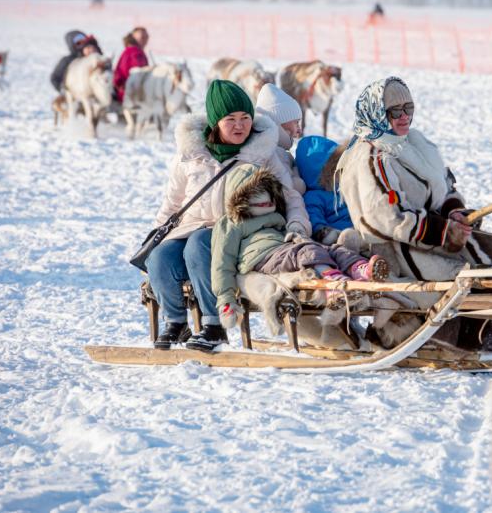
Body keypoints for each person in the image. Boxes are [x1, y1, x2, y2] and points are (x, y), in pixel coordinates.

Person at [336, 77, 492, 354]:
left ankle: (488, 331)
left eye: (408, 108)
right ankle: (449, 340)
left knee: (491, 248)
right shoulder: (372, 157)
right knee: (460, 276)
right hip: (394, 247)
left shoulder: (416, 144)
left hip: (431, 233)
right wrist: (443, 232)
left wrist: (455, 212)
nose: (404, 117)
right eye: (394, 111)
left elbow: (445, 186)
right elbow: (387, 218)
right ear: (376, 113)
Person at [146, 79, 311, 352]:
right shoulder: (191, 156)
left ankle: (215, 325)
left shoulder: (263, 154)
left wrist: (297, 226)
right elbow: (173, 202)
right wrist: (155, 235)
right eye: (230, 119)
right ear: (214, 122)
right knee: (160, 256)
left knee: (199, 244)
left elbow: (291, 196)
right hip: (191, 227)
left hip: (239, 233)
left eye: (245, 117)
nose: (240, 125)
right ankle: (176, 322)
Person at [211, 164, 388, 341]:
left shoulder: (277, 217)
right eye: (256, 194)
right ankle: (332, 282)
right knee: (307, 250)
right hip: (263, 259)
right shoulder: (231, 223)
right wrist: (225, 300)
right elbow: (221, 262)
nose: (266, 200)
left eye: (268, 194)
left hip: (286, 251)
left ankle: (360, 269)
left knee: (331, 249)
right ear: (240, 198)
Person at [296, 135, 357, 245]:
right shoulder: (313, 197)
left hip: (363, 228)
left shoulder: (348, 187)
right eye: (336, 168)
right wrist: (323, 231)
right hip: (340, 236)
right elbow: (314, 215)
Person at [255, 83, 305, 194]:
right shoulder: (273, 153)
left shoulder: (277, 149)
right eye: (296, 122)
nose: (299, 130)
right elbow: (289, 190)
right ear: (280, 122)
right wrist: (299, 180)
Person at [113, 27, 150, 103]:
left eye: (146, 37)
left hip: (127, 92)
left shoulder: (131, 50)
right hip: (130, 94)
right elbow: (139, 72)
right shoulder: (135, 52)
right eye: (141, 37)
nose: (145, 40)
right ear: (133, 38)